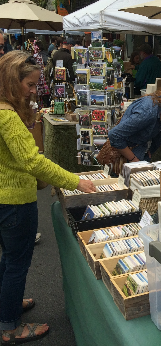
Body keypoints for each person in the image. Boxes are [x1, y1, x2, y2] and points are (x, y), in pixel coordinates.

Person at [0, 51, 96, 344]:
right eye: (29, 85)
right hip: (14, 200)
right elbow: (33, 162)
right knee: (18, 262)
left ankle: (8, 306)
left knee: (9, 259)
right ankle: (9, 326)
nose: (33, 91)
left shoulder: (6, 110)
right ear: (10, 81)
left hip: (7, 197)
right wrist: (75, 181)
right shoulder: (6, 115)